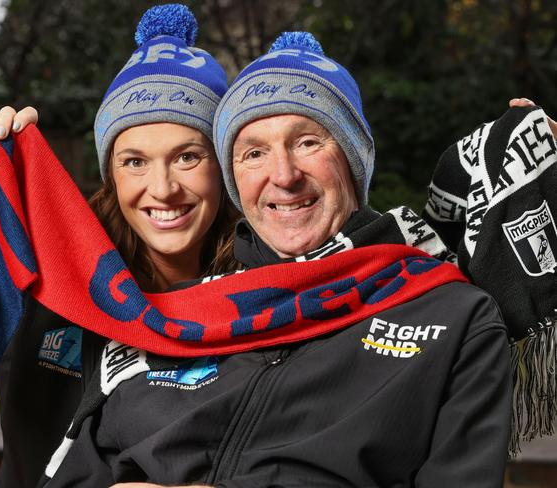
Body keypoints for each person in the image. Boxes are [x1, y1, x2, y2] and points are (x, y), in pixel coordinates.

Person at [41, 31, 515, 488]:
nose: (283, 175)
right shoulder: (176, 313)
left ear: (353, 161)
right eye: (253, 153)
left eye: (308, 142)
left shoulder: (454, 315)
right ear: (234, 180)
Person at [0, 4, 237, 486]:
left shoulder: (261, 288)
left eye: (188, 156)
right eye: (134, 162)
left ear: (223, 168)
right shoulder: (48, 260)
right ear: (111, 173)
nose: (163, 188)